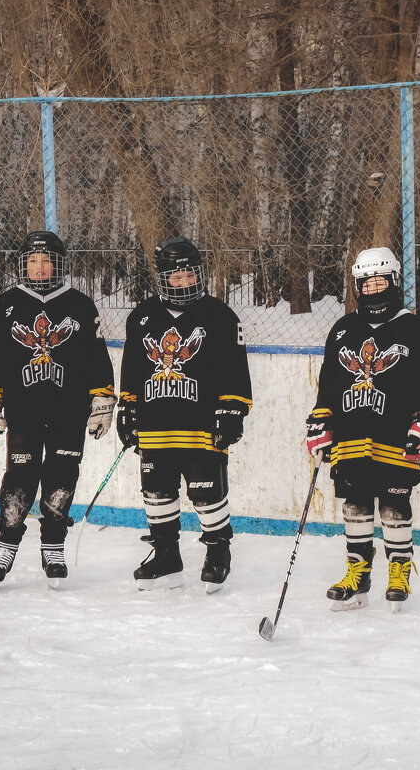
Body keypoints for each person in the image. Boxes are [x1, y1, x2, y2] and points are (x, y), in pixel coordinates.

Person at [305, 246, 420, 612]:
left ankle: (399, 571)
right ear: (357, 286)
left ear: (394, 281)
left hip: (395, 438)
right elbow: (329, 387)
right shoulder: (342, 330)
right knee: (355, 505)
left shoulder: (414, 329)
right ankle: (358, 575)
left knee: (395, 505)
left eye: (380, 281)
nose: (373, 289)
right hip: (351, 437)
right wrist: (320, 420)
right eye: (366, 284)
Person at [0, 230, 116, 589]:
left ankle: (53, 545)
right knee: (19, 478)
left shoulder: (80, 304)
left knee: (61, 477)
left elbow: (96, 356)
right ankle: (5, 546)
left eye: (47, 260)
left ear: (58, 264)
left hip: (69, 411)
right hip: (23, 411)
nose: (40, 267)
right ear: (23, 265)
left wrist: (102, 398)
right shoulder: (7, 303)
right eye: (33, 261)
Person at [117, 236, 252, 593]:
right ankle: (166, 557)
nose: (185, 282)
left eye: (190, 275)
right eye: (176, 277)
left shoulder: (221, 316)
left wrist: (232, 410)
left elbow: (235, 371)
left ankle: (217, 553)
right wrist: (128, 407)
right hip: (156, 426)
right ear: (162, 278)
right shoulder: (142, 317)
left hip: (202, 428)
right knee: (157, 492)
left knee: (206, 494)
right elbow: (131, 369)